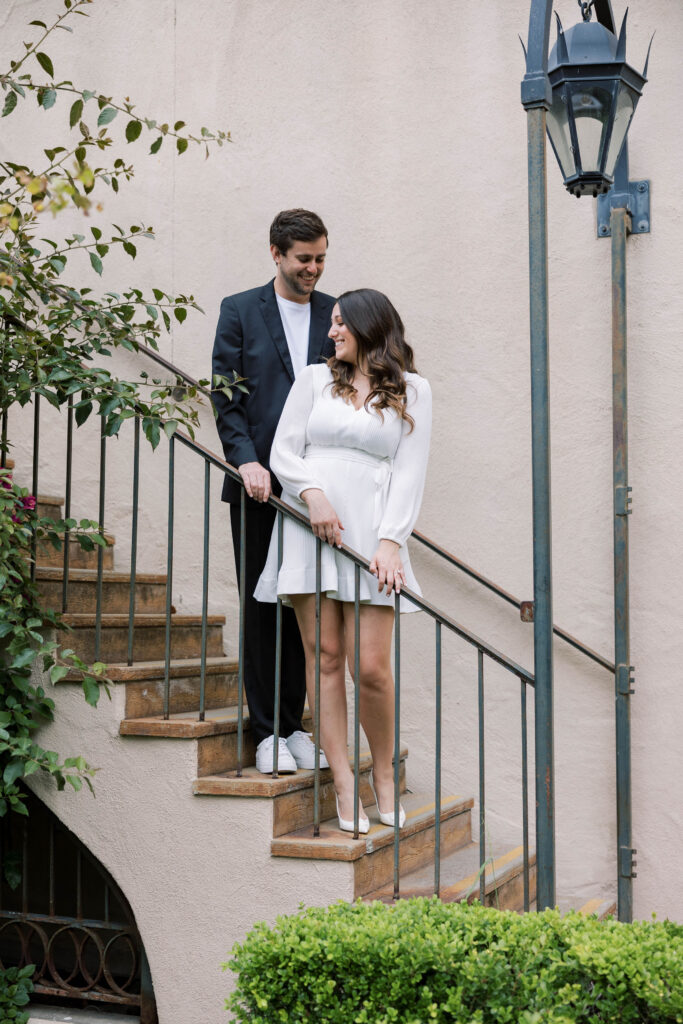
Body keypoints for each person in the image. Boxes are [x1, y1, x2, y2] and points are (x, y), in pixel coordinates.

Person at [255, 289, 432, 832]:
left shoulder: (414, 391)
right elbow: (284, 450)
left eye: (340, 324)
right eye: (330, 324)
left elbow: (410, 470)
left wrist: (390, 542)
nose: (331, 332)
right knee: (325, 660)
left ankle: (383, 777)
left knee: (371, 668)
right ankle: (343, 787)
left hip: (370, 533)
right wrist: (312, 496)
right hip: (310, 528)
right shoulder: (313, 380)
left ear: (368, 326)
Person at [211, 209, 336, 774]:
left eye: (320, 259)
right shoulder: (239, 311)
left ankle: (294, 724)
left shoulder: (336, 314)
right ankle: (266, 733)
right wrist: (246, 463)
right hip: (259, 490)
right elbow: (226, 396)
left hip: (314, 492)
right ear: (276, 254)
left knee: (305, 611)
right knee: (262, 610)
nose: (312, 269)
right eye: (303, 259)